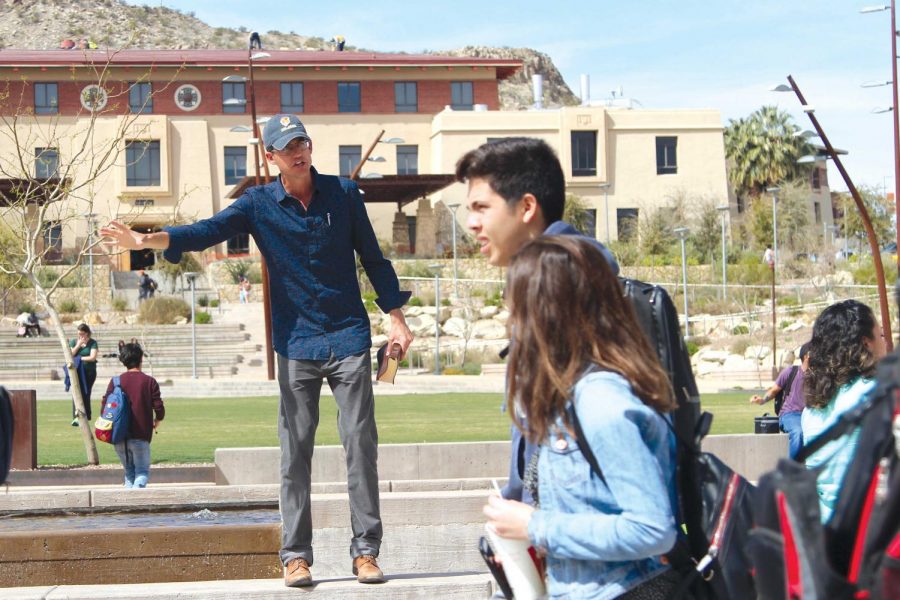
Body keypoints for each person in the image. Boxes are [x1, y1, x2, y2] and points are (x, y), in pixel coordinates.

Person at [100, 113, 413, 588]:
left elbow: (373, 258)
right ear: (271, 157)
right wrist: (145, 239)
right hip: (296, 343)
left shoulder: (345, 196)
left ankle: (366, 551)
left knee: (360, 444)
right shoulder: (257, 205)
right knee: (294, 452)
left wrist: (396, 316)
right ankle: (295, 556)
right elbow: (203, 232)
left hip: (348, 336)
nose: (298, 151)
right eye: (287, 146)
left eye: (303, 141)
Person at [483, 236, 680, 599]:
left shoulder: (601, 401)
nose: (512, 322)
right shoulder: (572, 395)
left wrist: (535, 526)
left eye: (518, 308)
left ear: (548, 313)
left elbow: (653, 529)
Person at [456, 137, 619, 505]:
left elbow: (560, 429)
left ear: (527, 206)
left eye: (482, 207)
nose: (471, 223)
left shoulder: (569, 279)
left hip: (571, 530)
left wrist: (533, 521)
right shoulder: (549, 275)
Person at [802, 299, 886, 523]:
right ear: (866, 343)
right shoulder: (878, 395)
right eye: (881, 336)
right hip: (871, 533)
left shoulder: (811, 409)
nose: (885, 343)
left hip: (825, 532)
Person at [102, 343, 164, 489]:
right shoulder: (149, 381)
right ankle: (136, 506)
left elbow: (105, 407)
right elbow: (159, 407)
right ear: (141, 358)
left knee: (129, 472)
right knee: (141, 472)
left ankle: (127, 508)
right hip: (140, 434)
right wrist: (158, 419)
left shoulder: (116, 381)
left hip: (119, 436)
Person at [750, 341, 810, 458]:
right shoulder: (790, 371)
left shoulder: (818, 376)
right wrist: (762, 401)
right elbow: (774, 391)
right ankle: (790, 471)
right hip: (790, 414)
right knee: (798, 433)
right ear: (806, 356)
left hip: (810, 415)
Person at [69, 323, 99, 426]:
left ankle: (87, 414)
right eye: (79, 334)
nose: (80, 336)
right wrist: (78, 345)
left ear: (87, 333)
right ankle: (76, 416)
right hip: (77, 371)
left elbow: (92, 357)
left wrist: (79, 359)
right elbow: (70, 355)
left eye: (82, 334)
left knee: (86, 392)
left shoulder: (93, 343)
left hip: (89, 371)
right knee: (76, 392)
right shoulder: (74, 342)